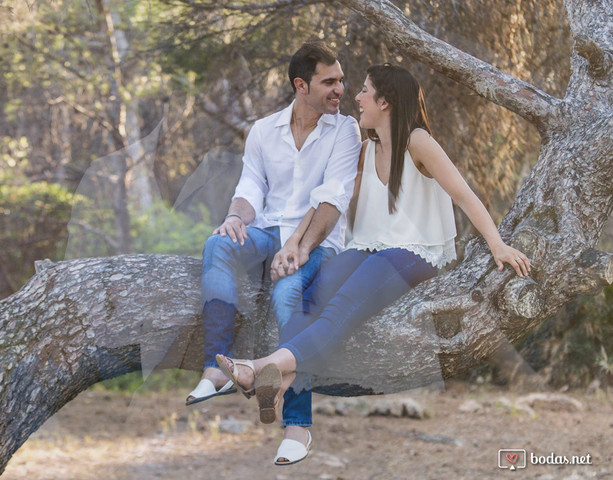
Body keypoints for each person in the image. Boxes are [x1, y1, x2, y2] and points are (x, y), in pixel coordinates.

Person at [216, 64, 532, 465]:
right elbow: (329, 198)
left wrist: (498, 245)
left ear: (385, 102)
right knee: (306, 300)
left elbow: (465, 196)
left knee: (340, 308)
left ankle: (259, 369)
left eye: (365, 91)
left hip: (413, 253)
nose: (357, 97)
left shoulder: (418, 141)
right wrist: (296, 240)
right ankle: (286, 377)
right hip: (367, 247)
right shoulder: (366, 147)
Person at [185, 40, 361, 414]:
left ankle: (296, 422)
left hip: (319, 241)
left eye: (341, 80)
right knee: (217, 245)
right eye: (330, 82)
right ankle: (216, 371)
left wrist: (300, 247)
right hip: (267, 232)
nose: (340, 90)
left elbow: (332, 200)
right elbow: (250, 187)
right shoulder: (264, 130)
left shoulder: (346, 131)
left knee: (286, 297)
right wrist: (235, 217)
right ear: (302, 86)